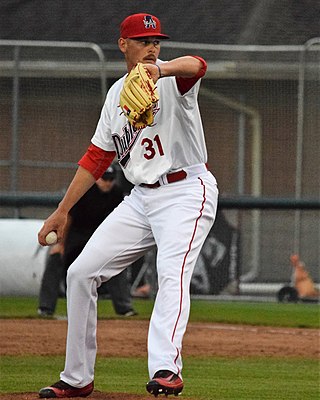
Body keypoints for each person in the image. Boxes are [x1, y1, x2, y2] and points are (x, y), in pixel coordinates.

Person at [37, 12, 218, 398]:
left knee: (171, 272)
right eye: (142, 41)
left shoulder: (172, 80)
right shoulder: (115, 95)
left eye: (156, 41)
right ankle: (77, 377)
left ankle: (167, 369)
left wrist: (161, 68)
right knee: (81, 272)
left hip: (186, 190)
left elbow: (198, 65)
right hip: (140, 198)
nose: (152, 47)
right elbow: (95, 159)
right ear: (123, 45)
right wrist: (62, 210)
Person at [38, 166, 137, 318]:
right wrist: (60, 245)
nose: (108, 183)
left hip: (101, 236)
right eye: (105, 179)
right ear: (97, 178)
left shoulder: (116, 193)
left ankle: (124, 308)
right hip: (76, 235)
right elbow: (68, 218)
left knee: (117, 261)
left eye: (111, 179)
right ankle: (45, 308)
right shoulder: (85, 191)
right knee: (55, 259)